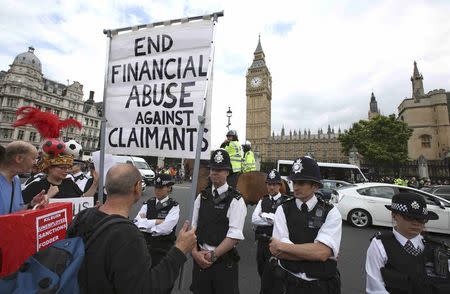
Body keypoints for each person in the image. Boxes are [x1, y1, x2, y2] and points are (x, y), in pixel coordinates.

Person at [66, 163, 196, 293]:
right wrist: (180, 250)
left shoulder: (82, 216)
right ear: (137, 187)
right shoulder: (129, 236)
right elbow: (146, 289)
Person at [267, 156, 342, 294]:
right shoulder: (283, 209)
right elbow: (278, 253)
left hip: (321, 286)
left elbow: (321, 253)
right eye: (293, 182)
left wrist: (283, 246)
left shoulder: (331, 212)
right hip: (288, 283)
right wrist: (314, 253)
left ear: (315, 185)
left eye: (301, 183)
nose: (295, 187)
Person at [365, 191, 450, 293]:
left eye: (421, 219)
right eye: (408, 217)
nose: (416, 223)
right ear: (394, 215)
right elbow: (375, 288)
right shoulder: (380, 244)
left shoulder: (437, 247)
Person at [190, 149, 247, 294]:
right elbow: (192, 228)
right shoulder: (202, 197)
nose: (215, 172)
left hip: (222, 262)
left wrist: (212, 256)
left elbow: (234, 235)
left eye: (220, 169)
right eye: (213, 168)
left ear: (227, 172)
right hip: (200, 259)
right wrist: (195, 253)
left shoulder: (236, 200)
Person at [252, 169, 291, 291]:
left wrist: (263, 215)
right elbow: (254, 219)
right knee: (262, 273)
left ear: (280, 185)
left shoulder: (286, 201)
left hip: (276, 244)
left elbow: (282, 221)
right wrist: (272, 219)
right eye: (269, 184)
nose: (272, 187)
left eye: (274, 184)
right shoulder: (263, 200)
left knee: (277, 278)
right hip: (262, 245)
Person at [134, 173, 179, 270]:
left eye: (161, 188)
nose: (157, 191)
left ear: (169, 188)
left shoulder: (173, 206)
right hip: (144, 248)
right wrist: (156, 222)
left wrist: (145, 223)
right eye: (156, 188)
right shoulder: (148, 203)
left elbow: (165, 229)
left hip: (162, 250)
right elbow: (136, 223)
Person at [22, 153, 98, 203]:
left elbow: (83, 200)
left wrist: (95, 183)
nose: (66, 171)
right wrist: (47, 196)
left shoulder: (69, 183)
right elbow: (23, 208)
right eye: (62, 168)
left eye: (68, 168)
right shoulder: (36, 186)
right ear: (49, 168)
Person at [0, 141, 48, 215]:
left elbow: (17, 211)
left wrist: (31, 204)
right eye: (33, 158)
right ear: (19, 158)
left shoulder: (16, 179)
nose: (35, 163)